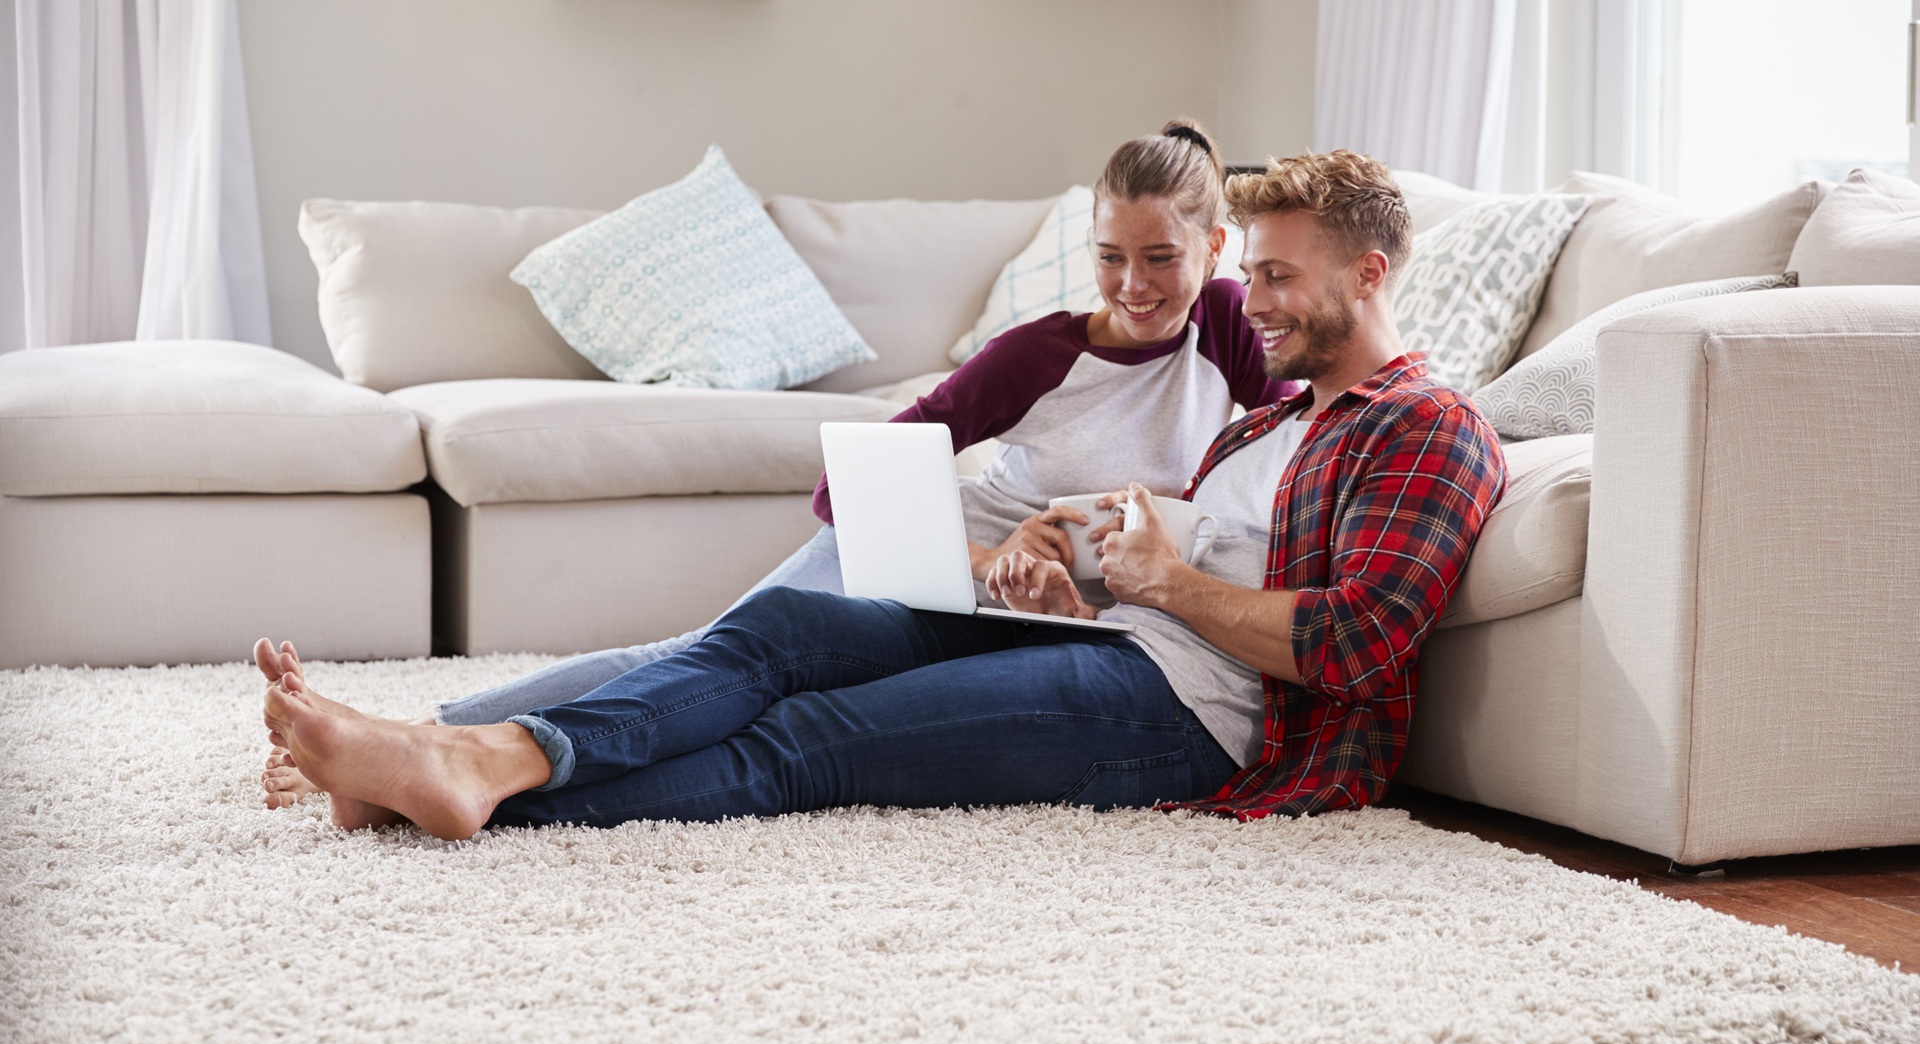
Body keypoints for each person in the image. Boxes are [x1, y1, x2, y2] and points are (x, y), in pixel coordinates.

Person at [260, 149, 1506, 840]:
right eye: (1259, 277)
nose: (1259, 303)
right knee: (780, 633)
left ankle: (475, 776)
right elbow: (1191, 529)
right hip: (1104, 622)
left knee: (812, 744)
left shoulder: (1427, 430)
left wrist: (1160, 579)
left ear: (1371, 273)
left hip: (1185, 710)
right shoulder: (1286, 411)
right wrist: (1064, 547)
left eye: (1279, 279)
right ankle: (470, 753)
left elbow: (1354, 641)